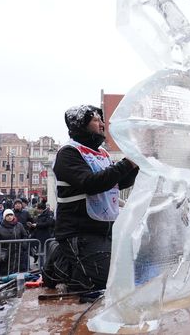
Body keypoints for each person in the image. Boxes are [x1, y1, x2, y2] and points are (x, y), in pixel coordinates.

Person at [46, 104, 139, 291]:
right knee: (102, 282)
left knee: (118, 275)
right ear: (81, 125)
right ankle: (59, 265)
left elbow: (114, 183)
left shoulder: (101, 154)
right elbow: (90, 183)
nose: (102, 124)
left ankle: (70, 263)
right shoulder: (69, 153)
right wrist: (125, 163)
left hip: (102, 228)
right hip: (79, 230)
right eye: (96, 120)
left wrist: (134, 167)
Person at [0, 209, 28, 276]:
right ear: (4, 217)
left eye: (11, 215)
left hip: (18, 253)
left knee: (18, 273)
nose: (10, 217)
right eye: (7, 215)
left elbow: (25, 236)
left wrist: (23, 245)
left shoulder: (19, 225)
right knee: (5, 274)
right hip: (5, 255)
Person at [31, 202, 54, 267]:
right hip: (39, 237)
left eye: (38, 209)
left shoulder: (48, 214)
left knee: (44, 254)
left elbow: (48, 223)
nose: (37, 210)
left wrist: (37, 225)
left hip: (45, 237)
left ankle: (44, 268)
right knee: (40, 254)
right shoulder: (40, 215)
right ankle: (41, 268)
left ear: (41, 209)